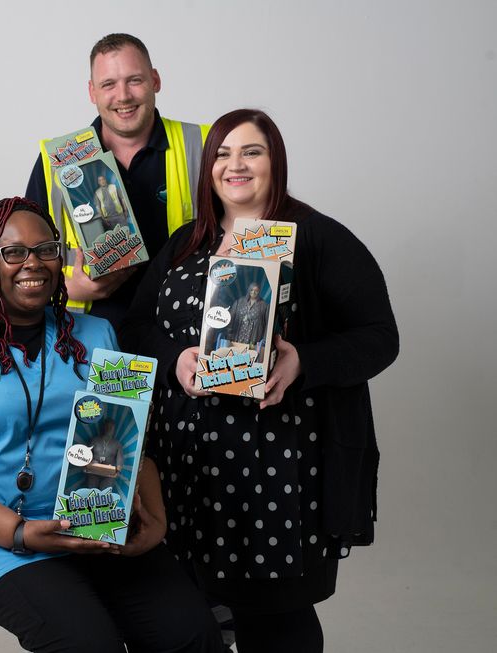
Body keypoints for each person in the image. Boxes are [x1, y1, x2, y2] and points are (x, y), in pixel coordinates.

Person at [119, 109, 399, 652]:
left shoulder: (316, 237)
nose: (235, 165)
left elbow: (379, 337)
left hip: (278, 476)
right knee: (187, 616)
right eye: (222, 153)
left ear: (277, 162)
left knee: (274, 625)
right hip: (188, 472)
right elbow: (135, 326)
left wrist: (303, 363)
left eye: (252, 151)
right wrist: (176, 358)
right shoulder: (186, 244)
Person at [0, 197, 222, 653]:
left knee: (193, 635)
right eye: (14, 252)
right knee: (88, 645)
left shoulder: (96, 335)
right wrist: (19, 531)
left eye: (46, 249)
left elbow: (129, 438)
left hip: (96, 526)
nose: (34, 263)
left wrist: (157, 519)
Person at [26, 33, 209, 326]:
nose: (123, 96)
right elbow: (23, 259)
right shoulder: (57, 160)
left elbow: (248, 227)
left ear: (156, 80)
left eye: (134, 80)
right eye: (108, 84)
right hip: (91, 336)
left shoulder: (205, 144)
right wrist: (67, 288)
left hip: (185, 334)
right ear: (92, 92)